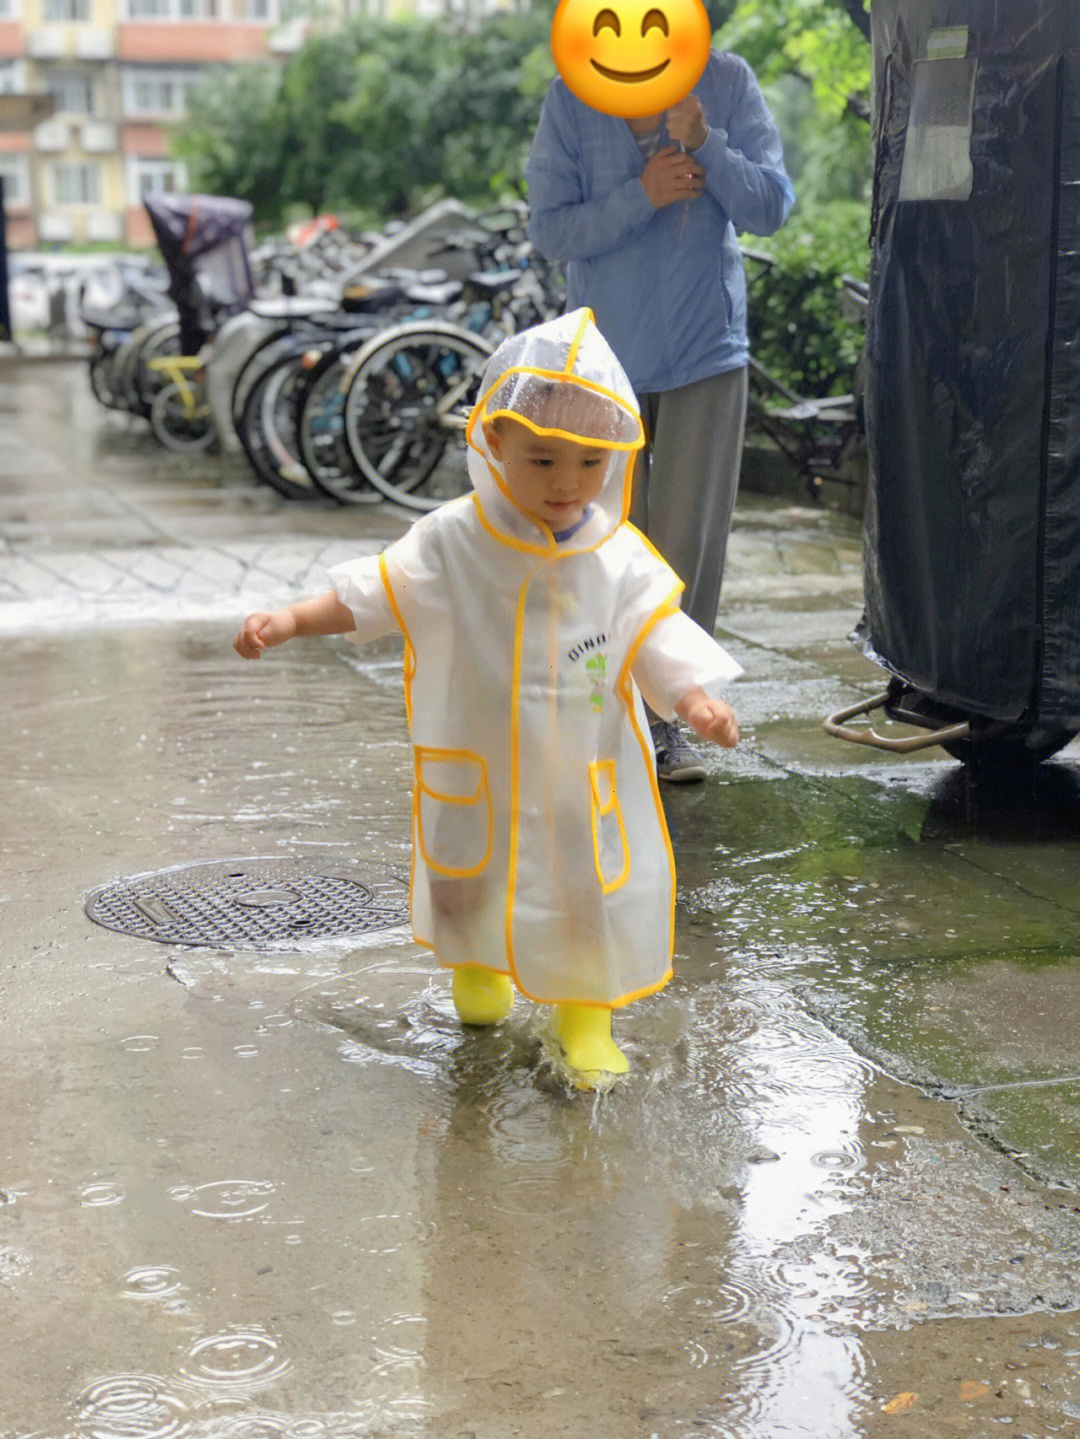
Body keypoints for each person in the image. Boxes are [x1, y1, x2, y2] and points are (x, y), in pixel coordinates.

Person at [234, 309, 741, 1090]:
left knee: (585, 892)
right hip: (481, 757)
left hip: (580, 770)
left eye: (590, 461)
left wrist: (694, 698)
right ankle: (479, 968)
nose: (567, 483)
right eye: (541, 459)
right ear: (493, 442)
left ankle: (585, 1020)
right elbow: (375, 593)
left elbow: (656, 632)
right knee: (470, 875)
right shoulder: (452, 540)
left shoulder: (618, 556)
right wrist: (293, 619)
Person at [526, 51, 794, 782]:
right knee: (595, 542)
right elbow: (550, 231)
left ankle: (662, 721)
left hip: (706, 350)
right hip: (604, 363)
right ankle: (593, 711)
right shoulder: (571, 98)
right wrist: (641, 194)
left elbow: (771, 205)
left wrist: (709, 144)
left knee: (683, 550)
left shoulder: (729, 80)